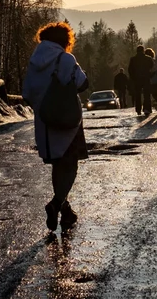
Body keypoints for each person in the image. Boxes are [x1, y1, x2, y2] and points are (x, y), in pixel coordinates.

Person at [21, 21, 90, 232]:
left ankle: (65, 210)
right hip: (68, 121)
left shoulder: (34, 63)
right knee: (70, 166)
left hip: (45, 121)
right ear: (65, 40)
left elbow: (27, 93)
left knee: (58, 166)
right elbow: (83, 83)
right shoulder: (65, 59)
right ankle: (56, 204)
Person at [128, 45, 154, 116]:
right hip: (146, 78)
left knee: (138, 95)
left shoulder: (133, 59)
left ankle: (138, 109)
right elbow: (152, 67)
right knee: (147, 94)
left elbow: (130, 70)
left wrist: (133, 78)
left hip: (137, 79)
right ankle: (147, 108)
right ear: (143, 50)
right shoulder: (148, 58)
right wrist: (149, 75)